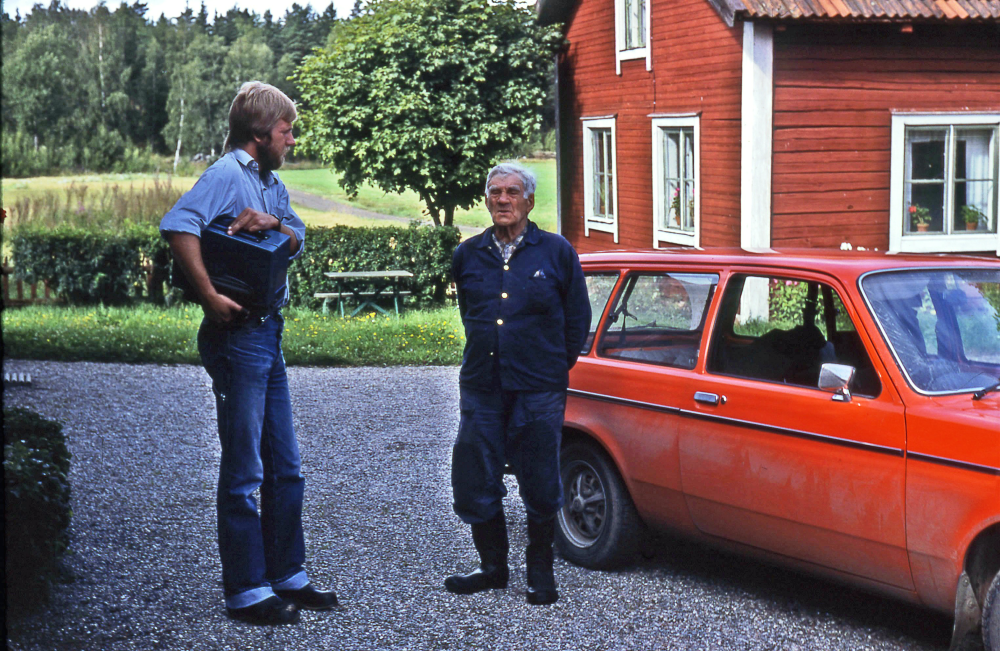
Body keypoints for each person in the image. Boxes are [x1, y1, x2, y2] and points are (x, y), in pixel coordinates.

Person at [160, 81, 337, 625]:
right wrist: (211, 296)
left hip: (268, 332)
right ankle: (245, 590)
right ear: (261, 134)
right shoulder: (225, 175)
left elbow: (298, 237)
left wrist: (273, 222)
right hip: (238, 337)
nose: (291, 139)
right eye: (286, 131)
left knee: (287, 465)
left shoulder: (267, 180)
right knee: (245, 470)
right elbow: (178, 225)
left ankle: (286, 573)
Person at [446, 162, 591, 605]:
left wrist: (551, 367)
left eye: (512, 192)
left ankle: (539, 570)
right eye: (495, 193)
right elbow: (471, 313)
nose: (503, 200)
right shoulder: (468, 254)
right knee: (475, 473)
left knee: (540, 478)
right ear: (487, 199)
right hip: (482, 385)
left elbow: (577, 320)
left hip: (539, 387)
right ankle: (492, 567)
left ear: (529, 200)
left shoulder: (557, 252)